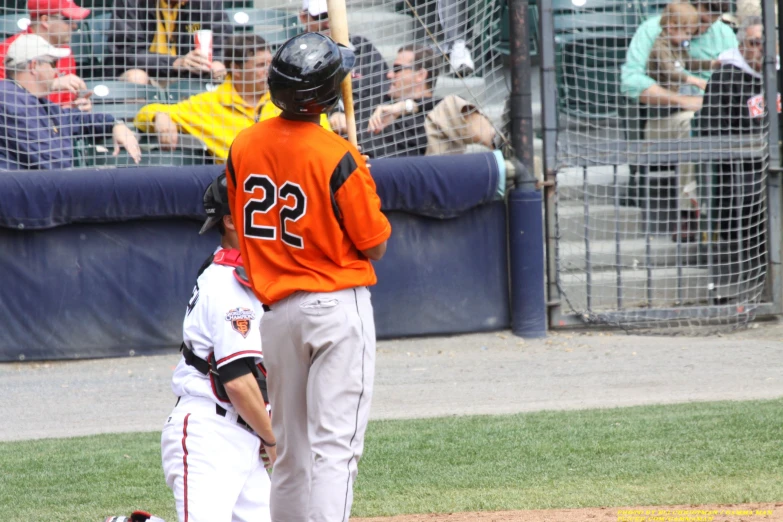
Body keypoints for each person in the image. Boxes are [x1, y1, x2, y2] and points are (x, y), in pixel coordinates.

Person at [226, 32, 391, 522]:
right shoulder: (336, 154)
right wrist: (361, 178)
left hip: (275, 315)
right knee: (335, 450)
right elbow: (375, 244)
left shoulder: (244, 143)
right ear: (326, 94)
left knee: (292, 451)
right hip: (335, 306)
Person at [160, 173, 277, 522]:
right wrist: (273, 441)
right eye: (259, 207)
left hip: (244, 438)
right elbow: (238, 381)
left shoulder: (245, 273)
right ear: (230, 219)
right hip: (208, 437)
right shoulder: (227, 283)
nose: (269, 216)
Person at [621, 0, 737, 232]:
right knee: (691, 123)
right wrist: (686, 101)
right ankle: (690, 213)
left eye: (711, 23)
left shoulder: (723, 33)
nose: (701, 29)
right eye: (702, 21)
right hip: (664, 118)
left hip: (716, 116)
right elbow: (630, 83)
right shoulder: (654, 30)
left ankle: (734, 216)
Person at [133, 34, 331, 162]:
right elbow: (143, 113)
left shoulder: (289, 100)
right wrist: (159, 116)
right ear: (235, 70)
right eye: (261, 65)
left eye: (270, 64)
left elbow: (326, 137)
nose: (269, 71)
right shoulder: (208, 105)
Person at [697, 16, 773, 287]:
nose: (763, 48)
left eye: (768, 43)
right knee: (751, 194)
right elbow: (711, 131)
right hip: (742, 169)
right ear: (741, 46)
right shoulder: (724, 78)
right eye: (755, 43)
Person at [0, 34, 140, 169]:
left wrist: (115, 124)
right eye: (53, 63)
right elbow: (52, 163)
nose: (57, 71)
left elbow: (74, 119)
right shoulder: (8, 98)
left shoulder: (37, 102)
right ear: (34, 66)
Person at [363, 44, 496, 158]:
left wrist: (407, 106)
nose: (389, 75)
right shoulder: (381, 106)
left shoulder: (441, 110)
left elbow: (488, 134)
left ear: (421, 75)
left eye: (397, 69)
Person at [299, 0, 388, 147]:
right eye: (321, 16)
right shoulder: (295, 54)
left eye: (331, 15)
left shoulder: (362, 46)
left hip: (369, 136)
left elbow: (382, 89)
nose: (328, 23)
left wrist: (354, 119)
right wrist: (331, 114)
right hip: (318, 138)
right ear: (303, 17)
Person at [106, 0, 232, 86]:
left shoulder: (206, 2)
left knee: (221, 70)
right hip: (149, 74)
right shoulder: (132, 2)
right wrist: (175, 63)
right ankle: (137, 124)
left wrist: (216, 61)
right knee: (136, 78)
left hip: (191, 76)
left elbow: (223, 40)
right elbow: (126, 52)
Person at [0, 0, 91, 109]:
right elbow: (5, 102)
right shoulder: (6, 51)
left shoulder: (65, 52)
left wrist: (76, 110)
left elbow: (65, 104)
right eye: (68, 20)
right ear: (45, 20)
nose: (75, 26)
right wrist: (51, 84)